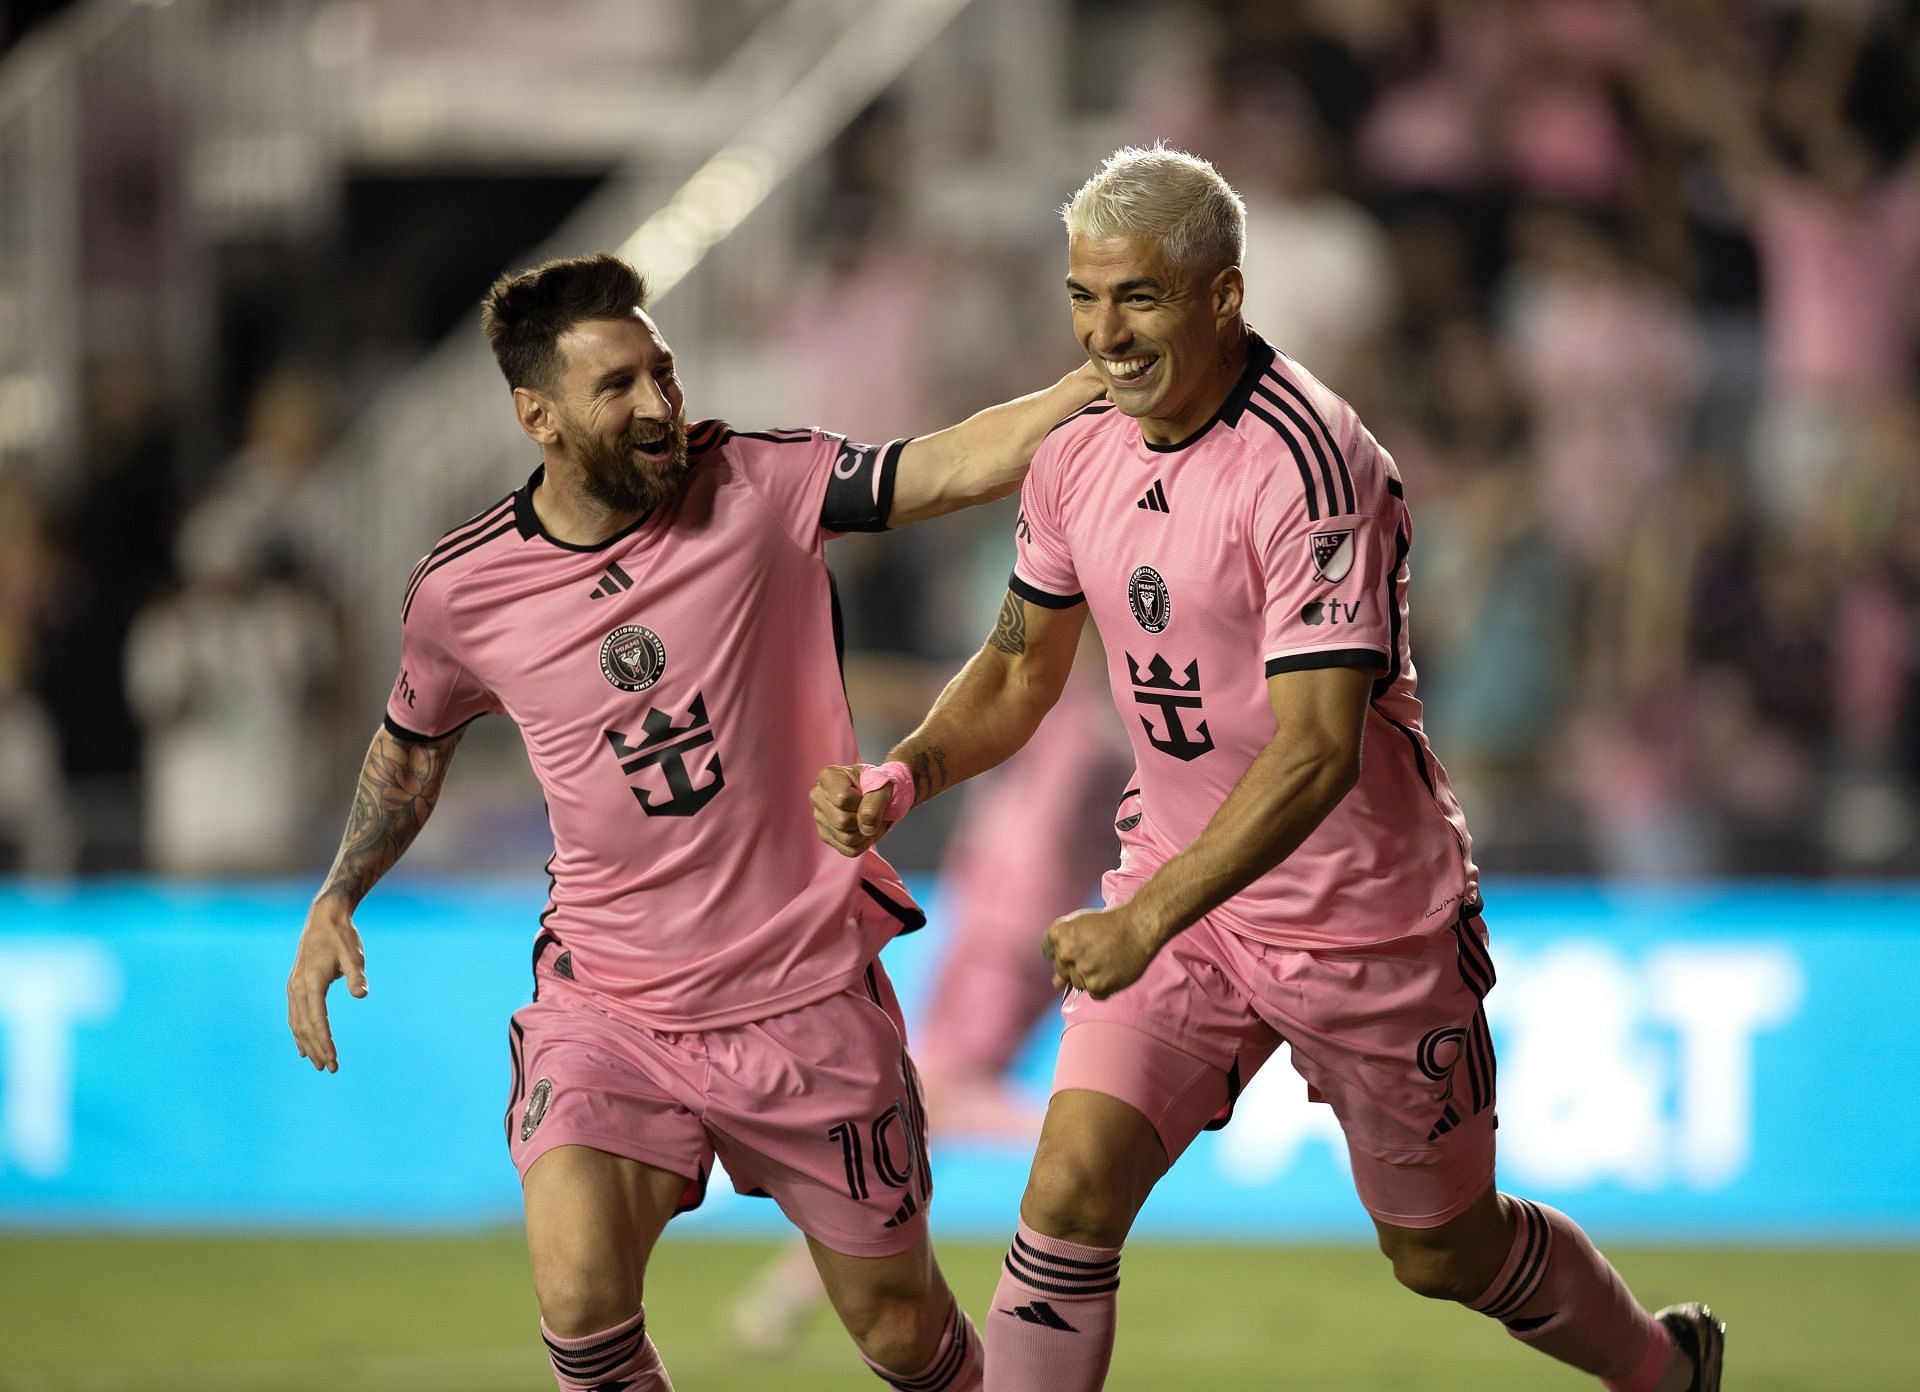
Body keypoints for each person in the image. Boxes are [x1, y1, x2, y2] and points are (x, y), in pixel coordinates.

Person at [813, 146, 1724, 1392]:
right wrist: (905, 775)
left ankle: (1662, 1371)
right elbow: (1021, 667)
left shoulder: (1313, 464)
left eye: (1136, 297)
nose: (1103, 333)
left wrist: (1141, 917)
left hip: (1366, 921)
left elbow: (1313, 756)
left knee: (1440, 1248)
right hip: (1184, 902)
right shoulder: (1081, 446)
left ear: (1222, 295)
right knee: (1067, 1192)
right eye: (1083, 297)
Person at [286, 251, 1102, 1392]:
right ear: (539, 417)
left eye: (660, 371)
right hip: (607, 1003)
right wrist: (338, 893)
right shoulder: (462, 592)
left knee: (898, 1331)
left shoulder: (761, 483)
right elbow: (409, 749)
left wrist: (1092, 381)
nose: (660, 403)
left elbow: (952, 465)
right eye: (616, 385)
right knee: (578, 1297)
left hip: (804, 997)